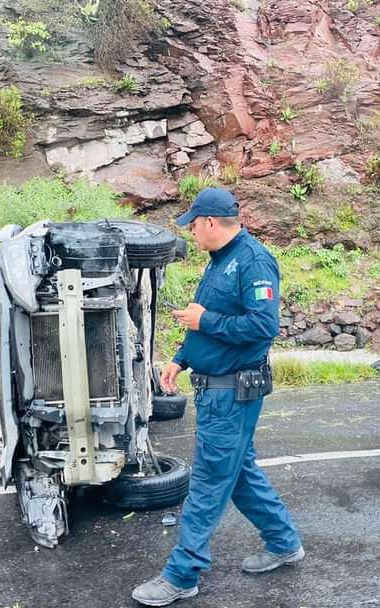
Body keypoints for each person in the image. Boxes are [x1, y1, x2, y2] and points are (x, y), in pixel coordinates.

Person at [132, 188, 303, 607]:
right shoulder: (219, 262)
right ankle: (284, 543)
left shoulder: (253, 261)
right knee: (239, 472)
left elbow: (263, 327)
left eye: (193, 225)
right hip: (216, 387)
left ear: (210, 222)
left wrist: (205, 319)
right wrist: (181, 359)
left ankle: (182, 574)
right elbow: (204, 324)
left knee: (209, 481)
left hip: (232, 392)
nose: (191, 233)